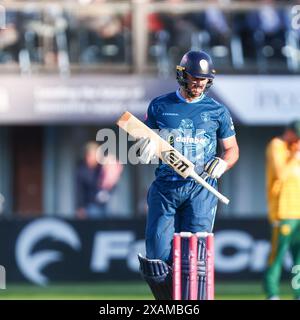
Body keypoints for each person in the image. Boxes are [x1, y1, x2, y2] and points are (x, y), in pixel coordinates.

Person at [137, 50, 239, 300]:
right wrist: (146, 148)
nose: (198, 84)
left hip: (201, 190)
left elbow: (232, 150)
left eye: (203, 80)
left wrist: (223, 164)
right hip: (166, 188)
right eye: (194, 79)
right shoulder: (160, 105)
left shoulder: (218, 111)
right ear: (181, 75)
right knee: (156, 259)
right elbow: (143, 145)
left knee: (196, 260)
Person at [264, 120, 300, 300]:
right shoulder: (277, 146)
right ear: (291, 133)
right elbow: (281, 174)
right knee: (277, 256)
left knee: (299, 259)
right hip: (283, 212)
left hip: (299, 211)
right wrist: (295, 156)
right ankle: (272, 294)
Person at [76, 142, 123, 219]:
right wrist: (80, 207)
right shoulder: (82, 171)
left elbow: (112, 183)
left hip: (106, 205)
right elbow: (79, 191)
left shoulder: (102, 167)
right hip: (90, 206)